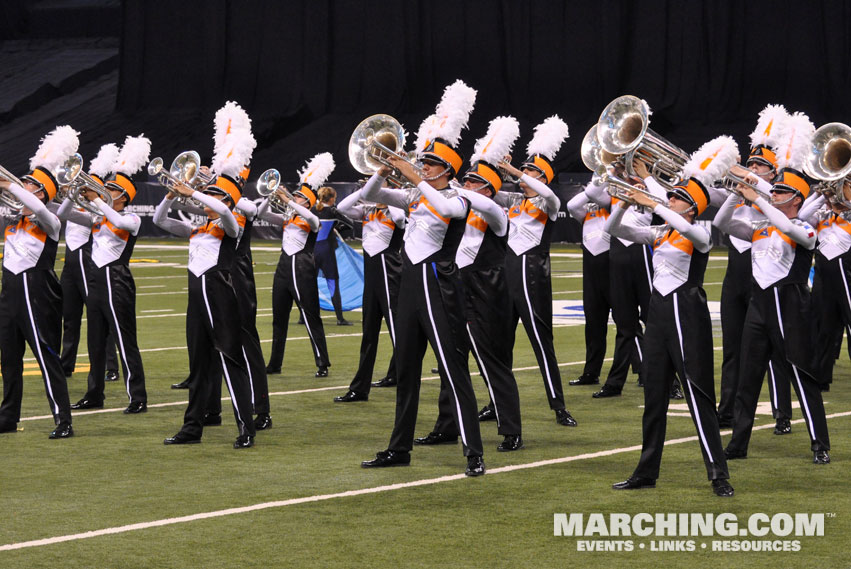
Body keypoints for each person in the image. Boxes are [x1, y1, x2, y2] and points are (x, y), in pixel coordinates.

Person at [361, 79, 485, 476]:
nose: (422, 166)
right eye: (423, 161)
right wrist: (383, 171)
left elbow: (446, 211)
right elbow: (371, 196)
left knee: (452, 367)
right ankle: (399, 448)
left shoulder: (457, 197)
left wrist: (413, 177)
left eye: (429, 163)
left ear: (447, 169)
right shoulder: (418, 193)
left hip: (438, 282)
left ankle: (473, 451)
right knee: (407, 369)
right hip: (411, 284)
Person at [609, 169, 733, 497]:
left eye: (677, 197)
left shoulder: (697, 234)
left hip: (687, 312)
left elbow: (689, 231)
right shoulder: (661, 232)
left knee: (697, 394)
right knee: (654, 396)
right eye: (671, 196)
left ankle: (719, 474)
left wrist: (651, 202)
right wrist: (623, 203)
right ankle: (646, 472)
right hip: (659, 313)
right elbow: (613, 229)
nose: (671, 199)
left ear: (691, 208)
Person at [715, 123, 831, 464]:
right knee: (749, 376)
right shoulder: (760, 227)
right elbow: (723, 223)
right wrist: (740, 192)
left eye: (778, 191)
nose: (772, 194)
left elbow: (790, 229)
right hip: (759, 304)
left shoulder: (803, 227)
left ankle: (819, 443)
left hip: (790, 304)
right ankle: (738, 442)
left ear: (796, 198)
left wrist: (758, 200)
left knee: (800, 374)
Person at [154, 133, 257, 449]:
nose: (204, 199)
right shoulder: (196, 229)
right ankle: (192, 427)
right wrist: (172, 195)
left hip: (220, 296)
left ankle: (246, 427)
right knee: (198, 364)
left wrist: (198, 194)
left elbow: (226, 211)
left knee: (230, 360)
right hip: (197, 301)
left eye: (212, 195)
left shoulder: (231, 226)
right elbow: (159, 220)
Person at [493, 116, 578, 426]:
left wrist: (516, 172)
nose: (523, 175)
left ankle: (558, 406)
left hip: (532, 275)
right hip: (508, 272)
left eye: (530, 171)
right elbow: (483, 193)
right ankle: (495, 402)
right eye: (524, 170)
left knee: (541, 342)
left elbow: (552, 196)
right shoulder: (514, 201)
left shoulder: (546, 205)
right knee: (500, 344)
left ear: (541, 176)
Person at [715, 105, 793, 431]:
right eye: (751, 165)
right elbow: (704, 192)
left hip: (766, 276)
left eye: (761, 166)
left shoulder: (777, 197)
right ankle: (727, 409)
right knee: (732, 345)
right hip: (736, 274)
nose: (753, 169)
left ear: (773, 172)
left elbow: (772, 197)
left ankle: (781, 413)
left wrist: (751, 184)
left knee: (774, 347)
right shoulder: (734, 196)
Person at [61, 135, 150, 414]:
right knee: (95, 341)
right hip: (97, 279)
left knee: (125, 341)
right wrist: (71, 194)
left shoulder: (131, 219)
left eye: (110, 189)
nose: (104, 192)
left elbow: (119, 221)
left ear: (122, 196)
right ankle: (94, 392)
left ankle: (137, 396)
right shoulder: (98, 216)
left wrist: (98, 200)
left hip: (118, 280)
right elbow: (65, 214)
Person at [0, 125, 77, 438]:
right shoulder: (14, 218)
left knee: (46, 357)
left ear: (43, 192)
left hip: (38, 291)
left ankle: (63, 420)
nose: (24, 186)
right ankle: (7, 417)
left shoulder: (51, 221)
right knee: (8, 359)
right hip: (10, 291)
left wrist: (9, 185)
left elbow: (37, 209)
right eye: (24, 183)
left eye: (30, 184)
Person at [261, 153, 334, 378]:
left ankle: (322, 362)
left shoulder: (312, 218)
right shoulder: (288, 217)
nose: (293, 197)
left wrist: (290, 201)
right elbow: (261, 213)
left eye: (299, 197)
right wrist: (271, 193)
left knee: (311, 315)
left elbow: (313, 221)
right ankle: (275, 363)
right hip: (284, 266)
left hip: (302, 267)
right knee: (278, 317)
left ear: (307, 202)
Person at [333, 183, 405, 401]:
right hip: (372, 278)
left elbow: (401, 219)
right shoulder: (368, 210)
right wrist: (367, 189)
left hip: (390, 274)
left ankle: (403, 380)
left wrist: (389, 193)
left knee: (398, 333)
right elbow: (342, 207)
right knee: (369, 334)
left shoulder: (397, 209)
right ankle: (359, 388)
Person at [58, 143, 119, 381]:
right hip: (71, 260)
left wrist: (86, 195)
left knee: (99, 312)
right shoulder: (76, 200)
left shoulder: (98, 209)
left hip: (86, 257)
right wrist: (72, 192)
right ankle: (66, 364)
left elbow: (91, 217)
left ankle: (110, 366)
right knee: (70, 316)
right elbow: (63, 212)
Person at [313, 186, 354, 326]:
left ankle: (304, 316)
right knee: (332, 282)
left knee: (308, 283)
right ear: (331, 199)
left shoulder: (312, 209)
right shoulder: (332, 211)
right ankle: (340, 318)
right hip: (326, 250)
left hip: (311, 249)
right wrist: (337, 229)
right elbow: (350, 224)